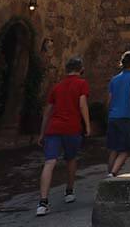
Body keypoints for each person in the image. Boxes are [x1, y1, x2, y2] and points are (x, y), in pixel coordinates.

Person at [36, 55, 91, 216]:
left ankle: (43, 202)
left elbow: (47, 112)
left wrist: (42, 132)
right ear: (81, 69)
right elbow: (82, 105)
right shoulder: (82, 84)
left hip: (53, 128)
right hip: (72, 128)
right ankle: (69, 191)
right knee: (71, 159)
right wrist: (87, 125)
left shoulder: (57, 87)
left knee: (49, 162)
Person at [105, 51, 130, 177]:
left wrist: (109, 113)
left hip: (113, 116)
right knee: (125, 149)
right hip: (126, 117)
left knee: (113, 149)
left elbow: (109, 99)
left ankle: (109, 173)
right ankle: (113, 173)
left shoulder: (114, 79)